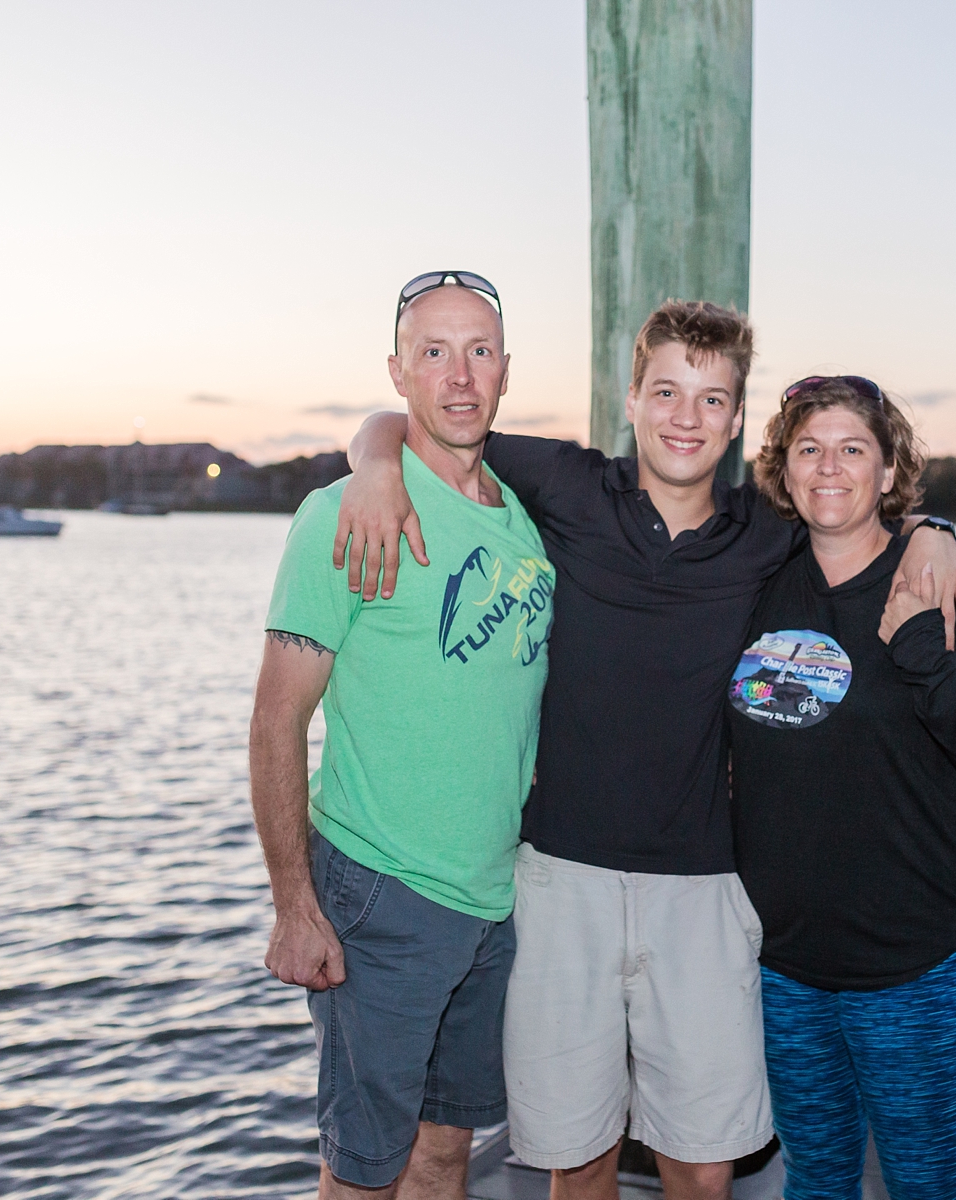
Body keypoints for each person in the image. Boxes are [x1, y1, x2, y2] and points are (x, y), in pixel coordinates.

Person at [331, 301, 956, 1200]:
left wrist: (934, 533)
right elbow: (418, 420)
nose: (685, 416)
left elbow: (859, 515)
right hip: (561, 881)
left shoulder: (766, 534)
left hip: (705, 890)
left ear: (739, 419)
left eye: (712, 400)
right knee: (577, 1158)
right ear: (630, 399)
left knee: (702, 1167)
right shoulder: (566, 485)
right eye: (666, 391)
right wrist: (370, 463)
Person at [248, 271, 555, 1199]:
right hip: (381, 896)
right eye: (433, 352)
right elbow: (275, 725)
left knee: (446, 1152)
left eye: (479, 351)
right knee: (362, 1173)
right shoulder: (343, 516)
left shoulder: (531, 519)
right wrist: (295, 907)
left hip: (493, 900)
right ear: (397, 371)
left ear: (506, 370)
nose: (459, 376)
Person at [727, 375, 956, 1200]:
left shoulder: (939, 582)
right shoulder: (757, 579)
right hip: (787, 964)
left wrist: (926, 658)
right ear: (783, 471)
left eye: (853, 449)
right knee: (818, 1180)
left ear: (890, 466)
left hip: (918, 961)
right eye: (809, 449)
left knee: (929, 1181)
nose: (830, 468)